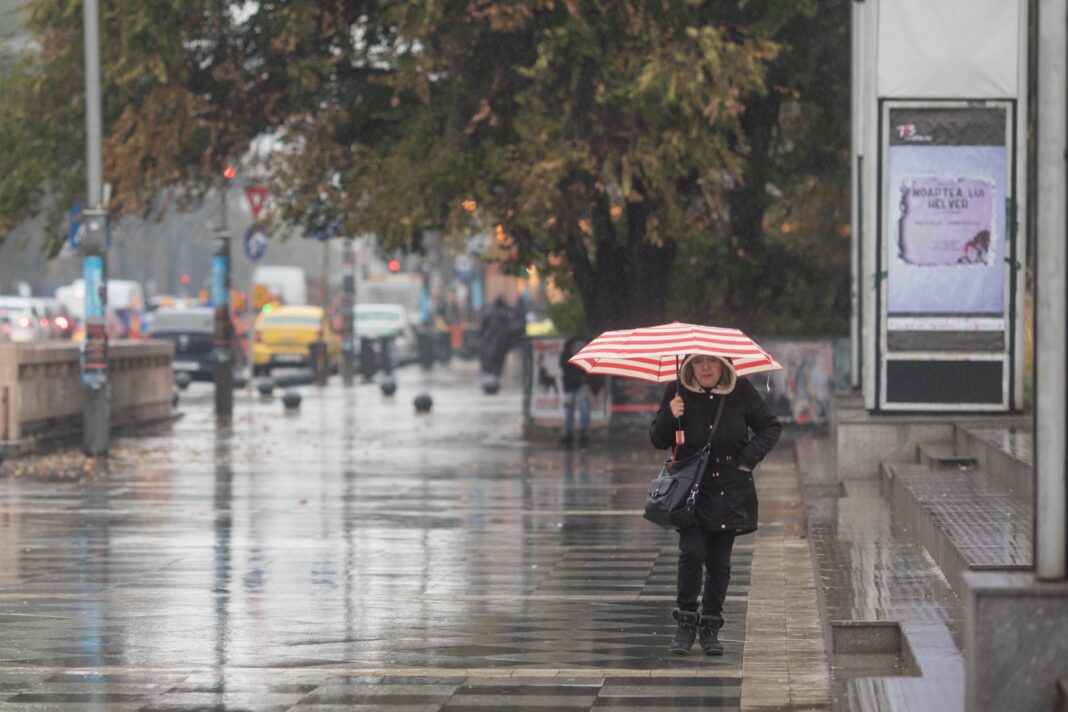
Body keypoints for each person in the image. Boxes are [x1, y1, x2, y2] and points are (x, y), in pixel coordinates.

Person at [649, 354, 781, 656]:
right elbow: (658, 439)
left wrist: (747, 461)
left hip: (729, 491)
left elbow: (770, 427)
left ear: (724, 365)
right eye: (698, 363)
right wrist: (671, 413)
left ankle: (710, 626)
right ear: (688, 366)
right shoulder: (677, 390)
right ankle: (685, 623)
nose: (705, 368)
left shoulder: (741, 390)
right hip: (690, 492)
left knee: (720, 562)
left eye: (712, 362)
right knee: (692, 553)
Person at [558, 335, 603, 446]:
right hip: (581, 382)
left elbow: (563, 364)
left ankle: (571, 433)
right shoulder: (588, 344)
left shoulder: (569, 345)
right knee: (582, 408)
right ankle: (582, 433)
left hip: (573, 383)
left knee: (572, 408)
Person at [478, 296, 514, 380]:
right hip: (501, 346)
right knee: (498, 366)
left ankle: (489, 381)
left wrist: (481, 340)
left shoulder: (489, 314)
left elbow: (481, 330)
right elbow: (509, 332)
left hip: (489, 344)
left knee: (488, 366)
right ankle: (495, 379)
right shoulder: (506, 316)